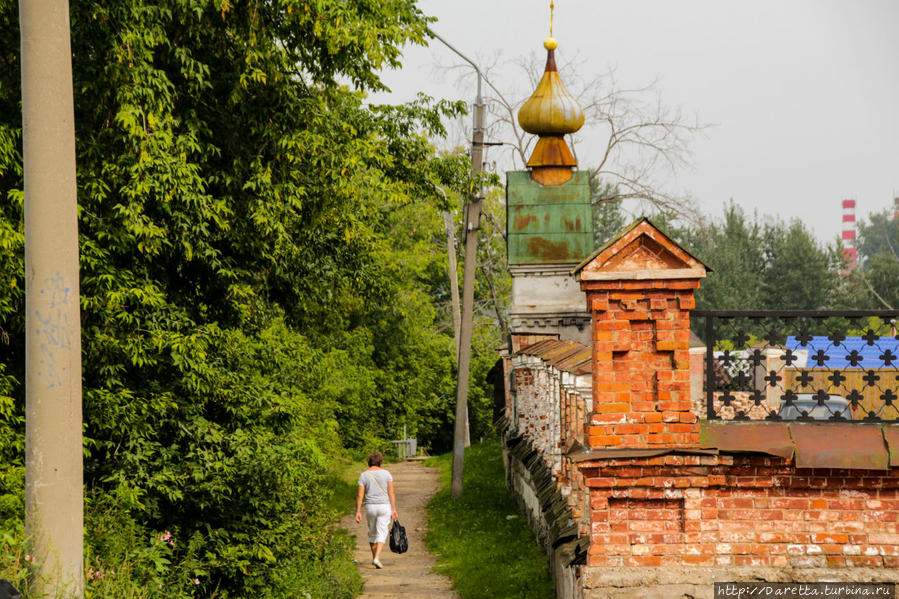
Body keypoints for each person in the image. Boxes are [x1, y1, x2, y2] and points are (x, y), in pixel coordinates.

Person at [355, 451, 398, 569]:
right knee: (382, 532)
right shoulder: (387, 474)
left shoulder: (363, 475)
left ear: (369, 462)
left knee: (372, 532)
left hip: (370, 507)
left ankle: (375, 558)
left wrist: (358, 511)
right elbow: (391, 492)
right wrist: (393, 509)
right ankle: (377, 558)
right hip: (384, 506)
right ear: (380, 462)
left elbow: (360, 495)